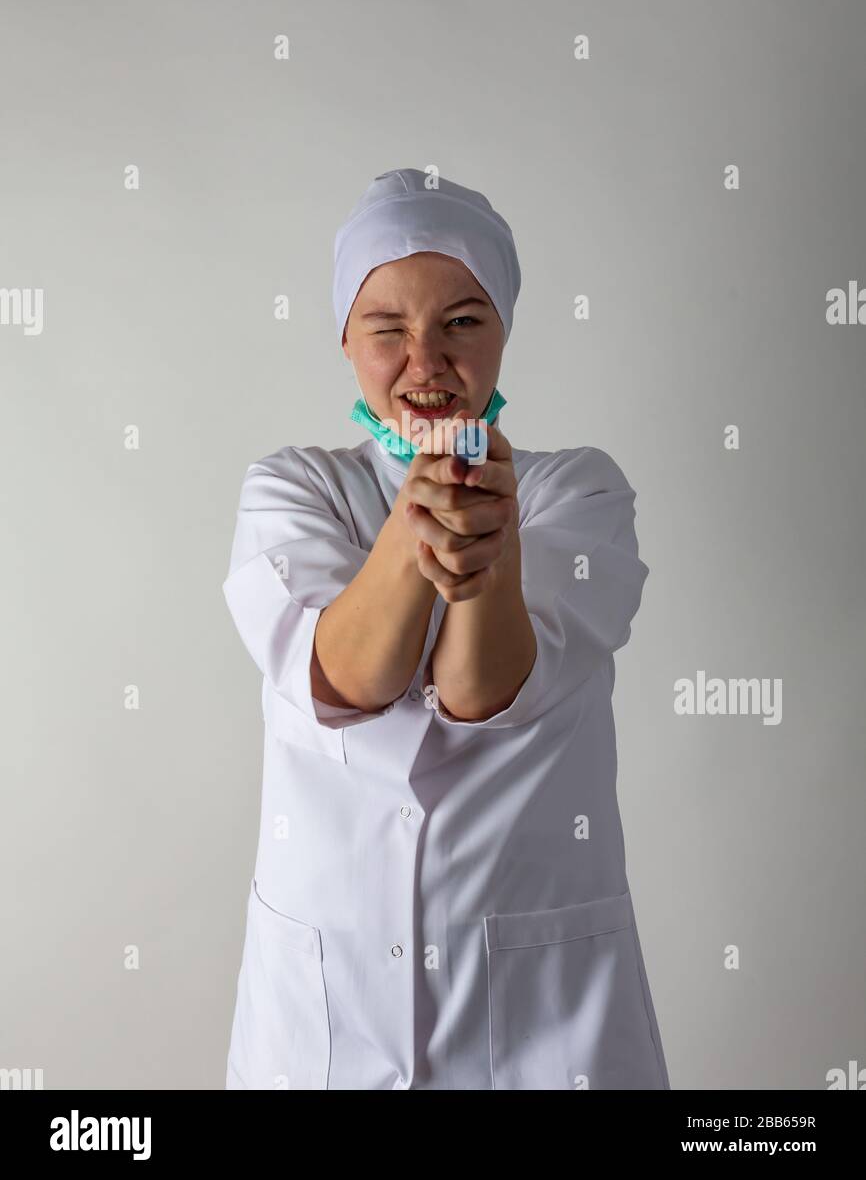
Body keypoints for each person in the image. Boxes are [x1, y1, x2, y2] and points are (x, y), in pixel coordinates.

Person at [222, 167, 670, 1090]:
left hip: (545, 1015)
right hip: (327, 1010)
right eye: (388, 327)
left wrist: (486, 541)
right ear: (346, 337)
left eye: (463, 322)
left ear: (502, 330)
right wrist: (418, 521)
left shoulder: (575, 493)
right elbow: (346, 679)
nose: (425, 361)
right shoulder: (292, 490)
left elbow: (481, 692)